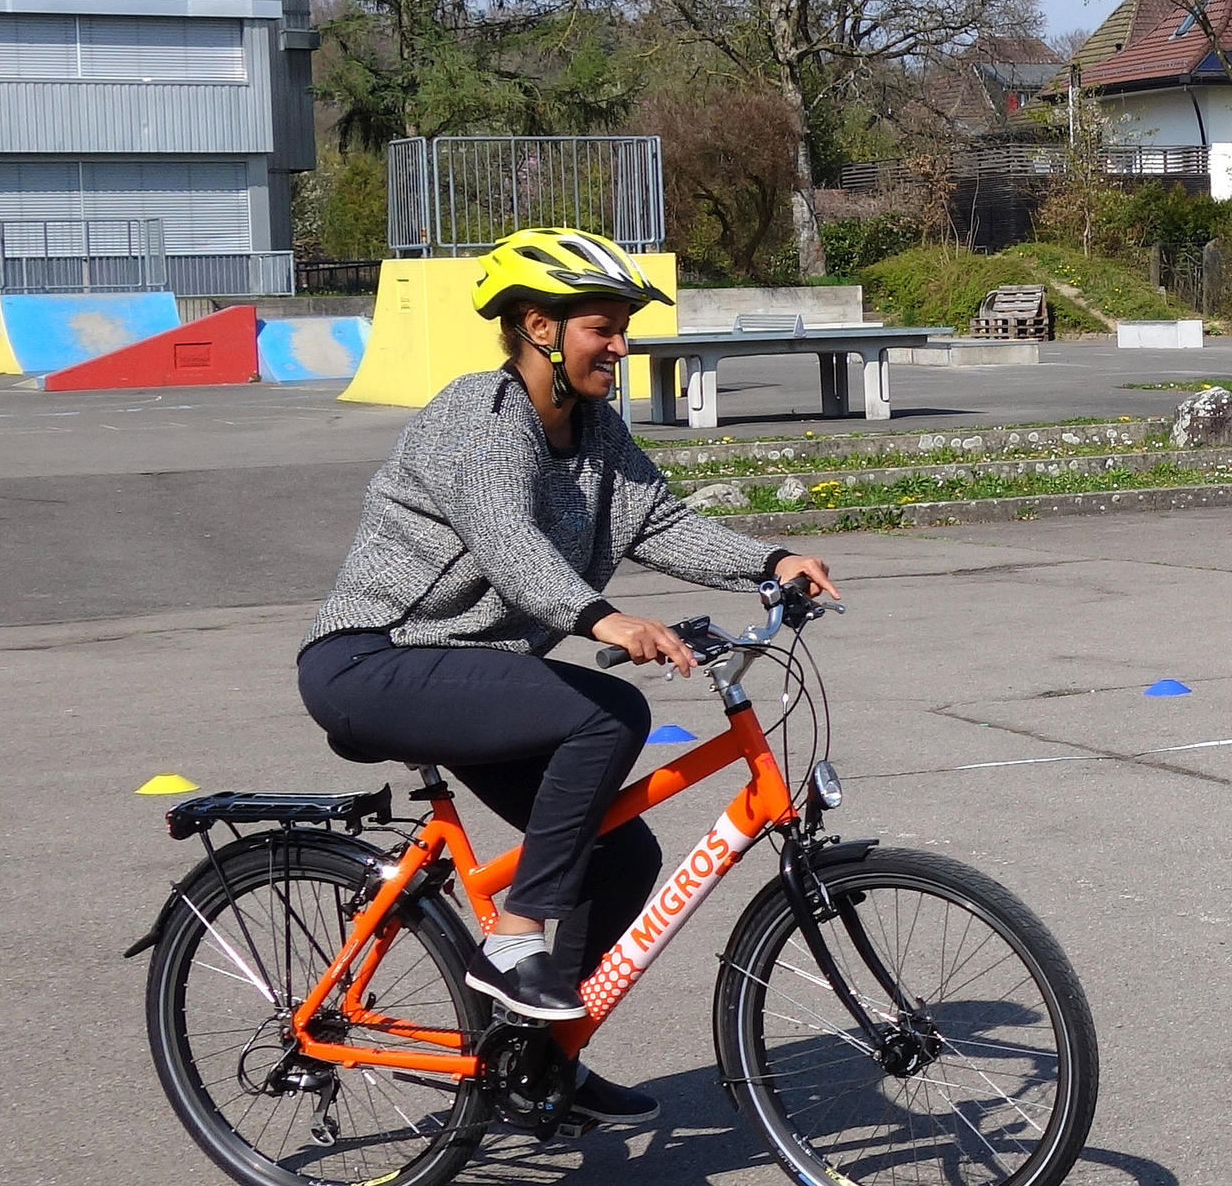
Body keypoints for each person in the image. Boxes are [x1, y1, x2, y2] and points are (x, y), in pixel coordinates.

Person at [297, 228, 837, 1125]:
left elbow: (658, 521)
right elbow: (508, 543)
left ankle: (535, 1064)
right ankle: (511, 944)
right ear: (539, 327)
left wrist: (769, 561)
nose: (621, 347)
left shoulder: (594, 433)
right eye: (604, 327)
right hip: (372, 660)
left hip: (472, 673)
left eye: (624, 326)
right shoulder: (478, 417)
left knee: (620, 852)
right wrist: (604, 619)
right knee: (607, 712)